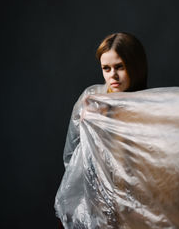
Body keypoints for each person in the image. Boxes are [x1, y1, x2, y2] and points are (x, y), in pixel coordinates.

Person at [56, 32, 148, 228]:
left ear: (135, 66)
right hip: (93, 202)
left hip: (135, 206)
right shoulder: (91, 98)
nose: (112, 75)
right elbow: (72, 157)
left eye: (119, 67)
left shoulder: (148, 105)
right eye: (106, 69)